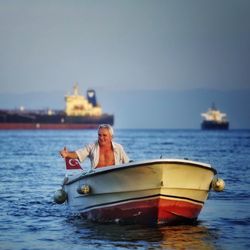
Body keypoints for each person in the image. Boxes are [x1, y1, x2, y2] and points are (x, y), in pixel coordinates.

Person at [59, 124, 129, 169]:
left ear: (111, 137)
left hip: (114, 177)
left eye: (104, 135)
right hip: (96, 177)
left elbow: (127, 163)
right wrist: (67, 154)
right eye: (99, 135)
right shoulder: (91, 147)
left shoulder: (118, 148)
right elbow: (78, 154)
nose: (101, 137)